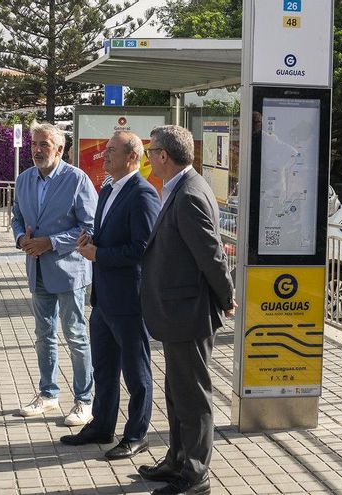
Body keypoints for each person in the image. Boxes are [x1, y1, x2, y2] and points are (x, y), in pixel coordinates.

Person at [138, 125, 236, 495]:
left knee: (193, 396)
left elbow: (210, 254)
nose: (149, 158)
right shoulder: (179, 187)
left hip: (189, 311)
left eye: (151, 152)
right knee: (178, 391)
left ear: (164, 155)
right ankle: (177, 461)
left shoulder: (190, 193)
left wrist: (226, 297)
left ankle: (196, 476)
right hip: (177, 310)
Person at [61, 131, 160, 459]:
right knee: (103, 368)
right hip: (103, 299)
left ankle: (136, 434)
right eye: (104, 150)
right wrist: (93, 240)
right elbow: (110, 235)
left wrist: (98, 255)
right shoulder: (108, 187)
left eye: (111, 151)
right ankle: (102, 425)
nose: (104, 156)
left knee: (136, 372)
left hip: (129, 301)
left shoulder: (143, 194)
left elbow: (142, 249)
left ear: (132, 157)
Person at [12, 121, 97, 426]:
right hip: (36, 269)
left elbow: (89, 226)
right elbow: (17, 217)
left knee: (75, 335)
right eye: (34, 144)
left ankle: (84, 400)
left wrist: (51, 242)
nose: (36, 150)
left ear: (60, 149)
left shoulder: (77, 179)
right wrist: (21, 238)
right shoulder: (24, 180)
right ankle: (48, 395)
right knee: (43, 335)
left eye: (44, 144)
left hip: (68, 270)